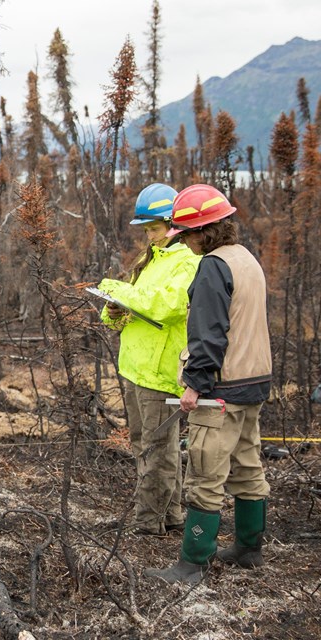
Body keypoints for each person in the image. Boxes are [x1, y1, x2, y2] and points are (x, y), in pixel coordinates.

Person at [144, 184, 271, 585]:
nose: (187, 242)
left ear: (204, 231)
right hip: (254, 384)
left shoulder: (213, 267)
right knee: (248, 467)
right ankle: (250, 550)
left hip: (221, 389)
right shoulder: (246, 259)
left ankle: (191, 564)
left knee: (204, 475)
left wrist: (194, 385)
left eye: (188, 234)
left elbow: (208, 335)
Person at [98, 183, 201, 535]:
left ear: (173, 224)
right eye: (146, 230)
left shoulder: (189, 262)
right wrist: (114, 309)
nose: (150, 236)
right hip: (135, 368)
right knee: (144, 443)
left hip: (161, 370)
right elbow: (128, 310)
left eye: (154, 229)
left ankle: (148, 522)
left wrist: (123, 292)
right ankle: (171, 516)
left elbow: (170, 304)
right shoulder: (149, 260)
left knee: (159, 448)